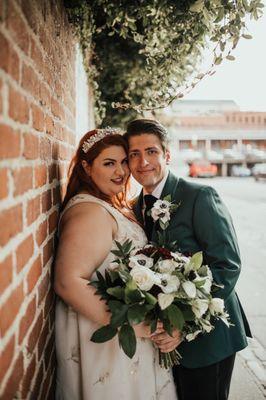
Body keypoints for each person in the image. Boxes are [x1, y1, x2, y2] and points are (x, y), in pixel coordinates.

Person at [124, 119, 252, 400]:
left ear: (167, 155)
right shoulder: (134, 208)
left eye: (151, 151)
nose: (143, 161)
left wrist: (183, 325)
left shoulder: (200, 196)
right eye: (134, 154)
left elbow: (226, 265)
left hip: (209, 339)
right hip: (163, 341)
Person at [54, 128, 178, 400]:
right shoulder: (89, 211)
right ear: (86, 167)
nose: (121, 171)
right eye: (109, 163)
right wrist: (133, 326)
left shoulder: (106, 203)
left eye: (123, 162)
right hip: (108, 340)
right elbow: (68, 282)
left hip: (123, 335)